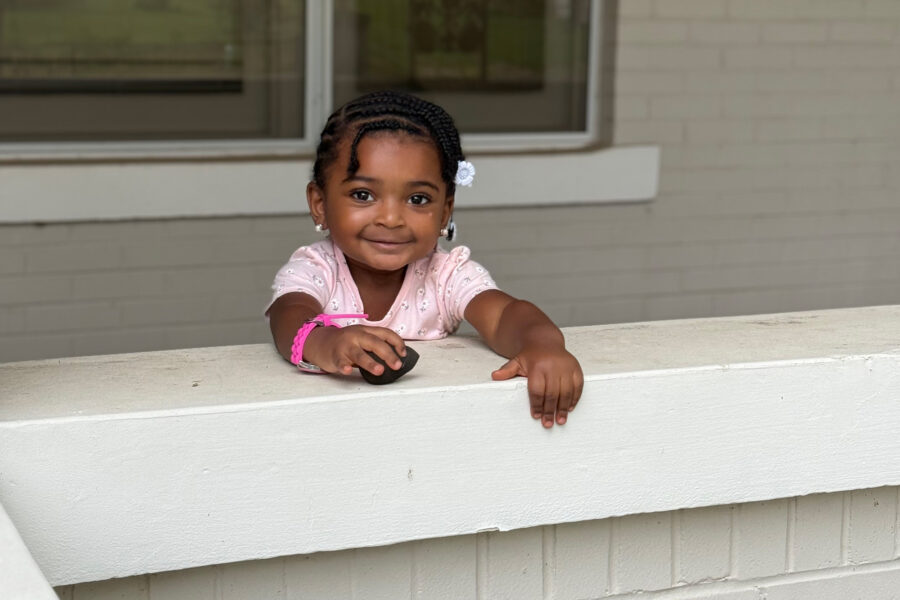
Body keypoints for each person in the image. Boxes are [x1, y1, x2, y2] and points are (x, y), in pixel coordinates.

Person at [266, 91, 583, 427]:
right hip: (329, 430)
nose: (391, 218)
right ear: (319, 202)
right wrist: (327, 342)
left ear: (445, 211)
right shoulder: (317, 268)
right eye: (363, 195)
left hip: (434, 430)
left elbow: (505, 314)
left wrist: (542, 344)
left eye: (418, 199)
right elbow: (288, 317)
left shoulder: (445, 276)